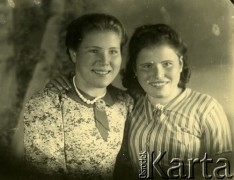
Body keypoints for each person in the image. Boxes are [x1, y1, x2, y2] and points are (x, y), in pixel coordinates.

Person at [20, 13, 134, 179]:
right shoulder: (46, 104)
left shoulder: (125, 103)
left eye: (113, 52)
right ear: (74, 54)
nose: (105, 61)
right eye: (94, 51)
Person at [122, 23, 233, 179]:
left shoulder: (207, 109)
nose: (158, 75)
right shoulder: (131, 106)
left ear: (180, 64)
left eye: (167, 64)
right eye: (147, 66)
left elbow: (223, 173)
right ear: (135, 69)